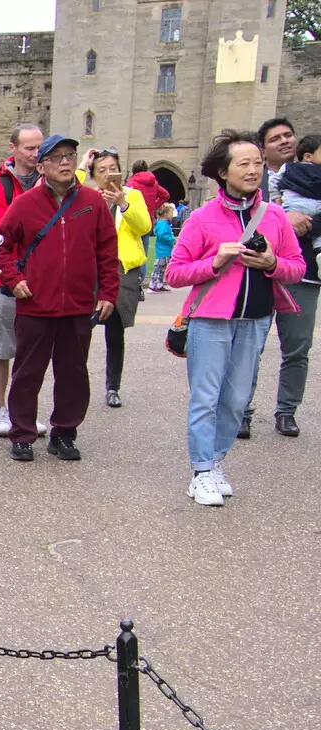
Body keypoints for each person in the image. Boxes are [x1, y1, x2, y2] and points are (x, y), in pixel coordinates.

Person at [166, 130, 304, 506]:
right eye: (243, 163)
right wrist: (215, 261)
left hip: (256, 319)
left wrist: (271, 262)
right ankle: (201, 471)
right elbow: (174, 273)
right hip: (210, 320)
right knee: (206, 398)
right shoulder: (202, 217)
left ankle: (214, 461)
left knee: (238, 399)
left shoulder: (274, 216)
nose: (253, 169)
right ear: (223, 172)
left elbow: (296, 267)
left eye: (258, 163)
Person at [0, 134, 118, 462]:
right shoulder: (25, 204)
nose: (65, 162)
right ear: (42, 164)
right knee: (28, 372)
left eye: (70, 156)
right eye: (57, 156)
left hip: (77, 306)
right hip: (35, 303)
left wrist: (108, 293)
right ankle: (21, 434)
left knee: (74, 373)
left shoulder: (92, 202)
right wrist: (14, 278)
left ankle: (64, 433)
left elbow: (107, 250)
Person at [247, 116, 314, 438]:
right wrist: (286, 219)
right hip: (257, 273)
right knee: (250, 347)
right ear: (264, 147)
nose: (285, 141)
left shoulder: (313, 176)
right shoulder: (249, 178)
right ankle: (242, 409)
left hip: (303, 275)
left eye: (289, 135)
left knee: (298, 347)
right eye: (276, 138)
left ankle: (287, 411)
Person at [0, 123, 45, 439]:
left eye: (39, 148)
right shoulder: (1, 188)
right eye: (29, 148)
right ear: (14, 148)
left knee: (31, 352)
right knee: (1, 349)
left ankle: (24, 410)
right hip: (6, 280)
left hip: (41, 279)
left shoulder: (53, 183)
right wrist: (29, 205)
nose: (36, 154)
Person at [82, 148, 150, 408]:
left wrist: (123, 203)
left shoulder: (133, 196)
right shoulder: (87, 197)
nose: (109, 174)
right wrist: (82, 164)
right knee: (81, 329)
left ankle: (113, 387)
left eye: (113, 168)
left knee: (115, 332)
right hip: (90, 270)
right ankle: (78, 383)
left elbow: (145, 227)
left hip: (122, 270)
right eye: (102, 170)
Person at [148, 204, 177, 292]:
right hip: (162, 250)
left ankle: (159, 284)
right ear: (165, 214)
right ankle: (152, 285)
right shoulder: (163, 224)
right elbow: (162, 235)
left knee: (162, 268)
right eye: (171, 213)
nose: (172, 215)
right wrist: (172, 239)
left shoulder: (164, 223)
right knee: (158, 268)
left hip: (165, 249)